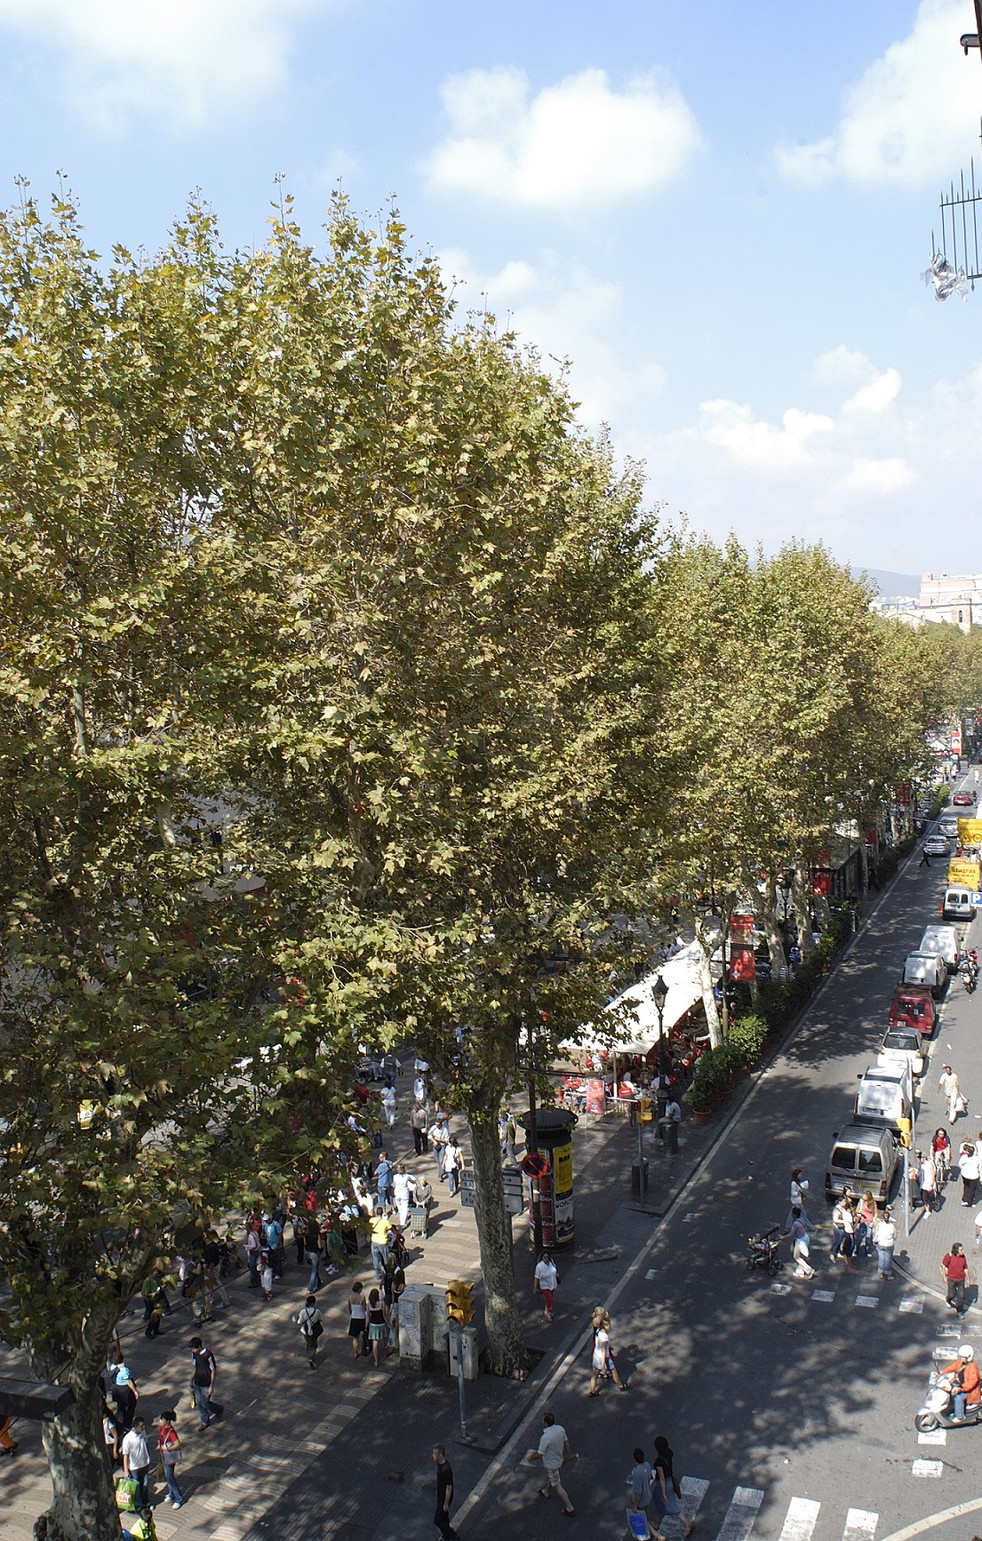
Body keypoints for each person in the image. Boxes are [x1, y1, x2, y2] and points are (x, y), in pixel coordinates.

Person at [527, 1410, 575, 1517]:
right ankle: (546, 1491)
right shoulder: (560, 1429)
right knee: (553, 1477)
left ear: (545, 1423)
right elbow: (566, 1442)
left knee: (557, 1485)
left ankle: (569, 1507)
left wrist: (530, 1457)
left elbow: (540, 1454)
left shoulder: (546, 1437)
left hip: (551, 1464)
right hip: (559, 1460)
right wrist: (568, 1454)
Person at [652, 1435, 695, 1537]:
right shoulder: (669, 1453)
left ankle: (687, 1525)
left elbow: (661, 1478)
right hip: (670, 1480)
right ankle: (656, 1523)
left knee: (672, 1507)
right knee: (657, 1503)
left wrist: (664, 1493)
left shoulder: (658, 1462)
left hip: (663, 1485)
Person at [588, 1305, 627, 1394]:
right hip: (604, 1358)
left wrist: (609, 1346)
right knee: (614, 1371)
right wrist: (602, 1365)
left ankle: (592, 1391)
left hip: (596, 1355)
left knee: (594, 1375)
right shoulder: (605, 1337)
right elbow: (603, 1350)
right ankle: (621, 1386)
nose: (610, 1327)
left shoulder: (598, 1330)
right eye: (608, 1325)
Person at [188, 1336, 222, 1428]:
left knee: (204, 1402)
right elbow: (194, 1367)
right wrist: (191, 1380)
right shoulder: (194, 1355)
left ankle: (218, 1409)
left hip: (206, 1383)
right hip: (197, 1382)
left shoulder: (208, 1355)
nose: (192, 1350)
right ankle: (205, 1421)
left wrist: (211, 1385)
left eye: (194, 1348)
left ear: (199, 1347)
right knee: (199, 1403)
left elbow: (213, 1370)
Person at [941, 1344, 981, 1421]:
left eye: (962, 1357)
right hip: (959, 1384)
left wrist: (959, 1389)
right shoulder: (961, 1362)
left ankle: (960, 1416)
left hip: (970, 1391)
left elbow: (970, 1384)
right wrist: (943, 1371)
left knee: (958, 1398)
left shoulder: (973, 1368)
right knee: (947, 1389)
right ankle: (952, 1408)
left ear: (968, 1357)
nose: (960, 1358)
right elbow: (953, 1366)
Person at [121, 1416, 152, 1510]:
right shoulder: (127, 1439)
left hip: (145, 1463)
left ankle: (146, 1502)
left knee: (145, 1484)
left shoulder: (143, 1433)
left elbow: (146, 1444)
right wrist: (126, 1470)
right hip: (134, 1467)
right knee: (136, 1488)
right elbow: (125, 1455)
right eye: (142, 1426)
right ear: (136, 1426)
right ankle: (138, 1506)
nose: (144, 1427)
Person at [431, 1444, 460, 1539]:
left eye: (435, 1454)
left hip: (445, 1497)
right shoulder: (440, 1464)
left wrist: (446, 1503)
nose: (432, 1456)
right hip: (441, 1496)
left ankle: (451, 1535)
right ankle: (448, 1534)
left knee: (438, 1520)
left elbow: (449, 1487)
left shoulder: (445, 1469)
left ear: (440, 1455)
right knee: (443, 1517)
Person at [157, 1410, 184, 1509]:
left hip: (169, 1457)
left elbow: (177, 1444)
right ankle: (171, 1494)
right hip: (163, 1455)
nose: (160, 1421)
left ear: (167, 1421)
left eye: (162, 1419)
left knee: (170, 1477)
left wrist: (167, 1448)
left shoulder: (171, 1432)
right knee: (168, 1475)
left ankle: (179, 1498)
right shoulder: (162, 1428)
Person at [783, 1207, 814, 1278]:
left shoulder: (795, 1224)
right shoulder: (802, 1219)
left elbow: (791, 1234)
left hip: (800, 1241)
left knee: (796, 1257)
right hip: (805, 1237)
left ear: (794, 1214)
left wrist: (783, 1237)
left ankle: (809, 1270)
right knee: (800, 1256)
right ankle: (800, 1272)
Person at [942, 1241, 970, 1316]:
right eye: (961, 1250)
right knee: (951, 1294)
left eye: (963, 1249)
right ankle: (948, 1300)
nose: (963, 1251)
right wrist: (944, 1277)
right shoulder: (949, 1256)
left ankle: (959, 1311)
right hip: (951, 1279)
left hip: (961, 1280)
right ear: (956, 1251)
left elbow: (965, 1268)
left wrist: (968, 1279)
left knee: (961, 1295)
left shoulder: (963, 1258)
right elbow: (944, 1266)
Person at [296, 1293, 324, 1369]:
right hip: (314, 1330)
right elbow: (321, 1319)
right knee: (313, 1344)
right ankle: (311, 1358)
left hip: (305, 1330)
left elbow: (299, 1321)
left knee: (309, 1343)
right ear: (314, 1303)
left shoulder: (303, 1311)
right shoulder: (317, 1311)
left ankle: (310, 1354)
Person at [366, 1286, 389, 1367]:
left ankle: (376, 1360)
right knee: (385, 1339)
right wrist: (388, 1323)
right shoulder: (381, 1303)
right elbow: (384, 1315)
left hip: (373, 1325)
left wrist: (366, 1326)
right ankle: (386, 1353)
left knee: (375, 1343)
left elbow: (368, 1317)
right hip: (382, 1323)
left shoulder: (368, 1305)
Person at [533, 1249, 559, 1321]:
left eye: (547, 1257)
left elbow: (555, 1269)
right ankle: (549, 1313)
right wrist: (535, 1288)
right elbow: (536, 1277)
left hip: (552, 1284)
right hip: (545, 1285)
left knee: (548, 1299)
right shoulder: (539, 1267)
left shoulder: (551, 1262)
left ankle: (546, 1311)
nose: (546, 1259)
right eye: (545, 1257)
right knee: (549, 1299)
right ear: (542, 1257)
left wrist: (557, 1274)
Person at [874, 1208, 897, 1280]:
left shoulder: (879, 1224)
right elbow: (895, 1236)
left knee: (881, 1258)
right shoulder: (892, 1226)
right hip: (889, 1244)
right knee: (888, 1259)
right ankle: (888, 1274)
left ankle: (881, 1273)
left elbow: (875, 1232)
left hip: (881, 1243)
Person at [348, 1280, 368, 1359]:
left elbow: (349, 1308)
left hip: (354, 1318)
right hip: (361, 1317)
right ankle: (364, 1349)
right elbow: (364, 1308)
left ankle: (355, 1352)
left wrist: (352, 1313)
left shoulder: (350, 1297)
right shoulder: (362, 1297)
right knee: (364, 1335)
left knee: (355, 1337)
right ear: (359, 1289)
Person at [369, 1206, 391, 1280]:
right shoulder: (385, 1221)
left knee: (375, 1258)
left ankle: (378, 1274)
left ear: (376, 1213)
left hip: (374, 1241)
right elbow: (389, 1228)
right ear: (382, 1213)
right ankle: (387, 1272)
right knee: (385, 1258)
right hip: (382, 1242)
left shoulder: (371, 1220)